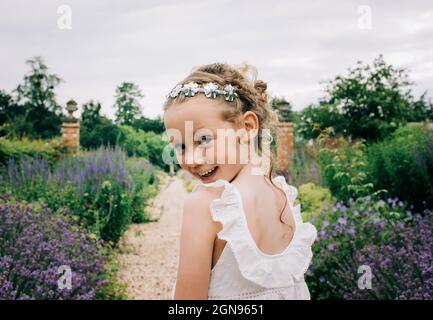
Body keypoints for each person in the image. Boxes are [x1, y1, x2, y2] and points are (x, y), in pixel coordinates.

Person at [163, 62, 317, 300]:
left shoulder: (207, 205)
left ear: (247, 127)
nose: (191, 159)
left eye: (203, 139)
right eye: (180, 145)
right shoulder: (282, 194)